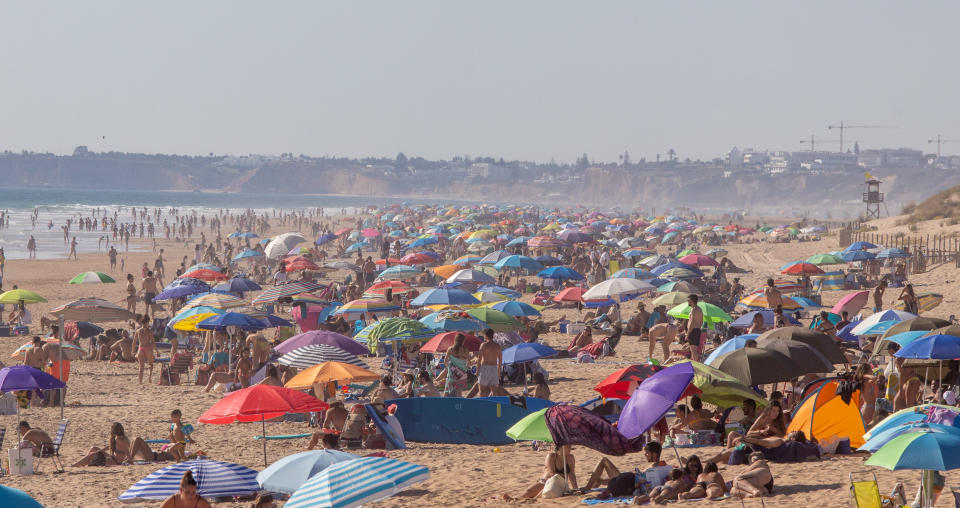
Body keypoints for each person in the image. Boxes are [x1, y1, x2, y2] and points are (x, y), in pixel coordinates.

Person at [476, 328, 502, 396]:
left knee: (481, 389)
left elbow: (479, 359)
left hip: (485, 368)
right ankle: (494, 405)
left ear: (486, 335)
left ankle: (482, 405)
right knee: (494, 390)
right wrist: (499, 372)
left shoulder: (483, 345)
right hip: (494, 368)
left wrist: (477, 370)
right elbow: (500, 360)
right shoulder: (497, 346)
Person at [135, 315, 157, 384]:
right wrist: (157, 351)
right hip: (148, 349)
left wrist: (133, 351)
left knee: (141, 367)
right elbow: (153, 342)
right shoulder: (149, 331)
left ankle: (140, 381)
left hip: (140, 349)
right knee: (151, 364)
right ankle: (149, 379)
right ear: (147, 322)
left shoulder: (138, 331)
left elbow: (134, 342)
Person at [686, 294, 704, 362]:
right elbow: (702, 321)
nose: (688, 302)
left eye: (689, 301)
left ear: (692, 301)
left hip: (693, 331)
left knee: (693, 350)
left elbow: (692, 323)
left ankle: (695, 364)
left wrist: (688, 334)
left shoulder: (694, 310)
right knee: (695, 350)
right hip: (698, 330)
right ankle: (696, 363)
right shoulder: (700, 309)